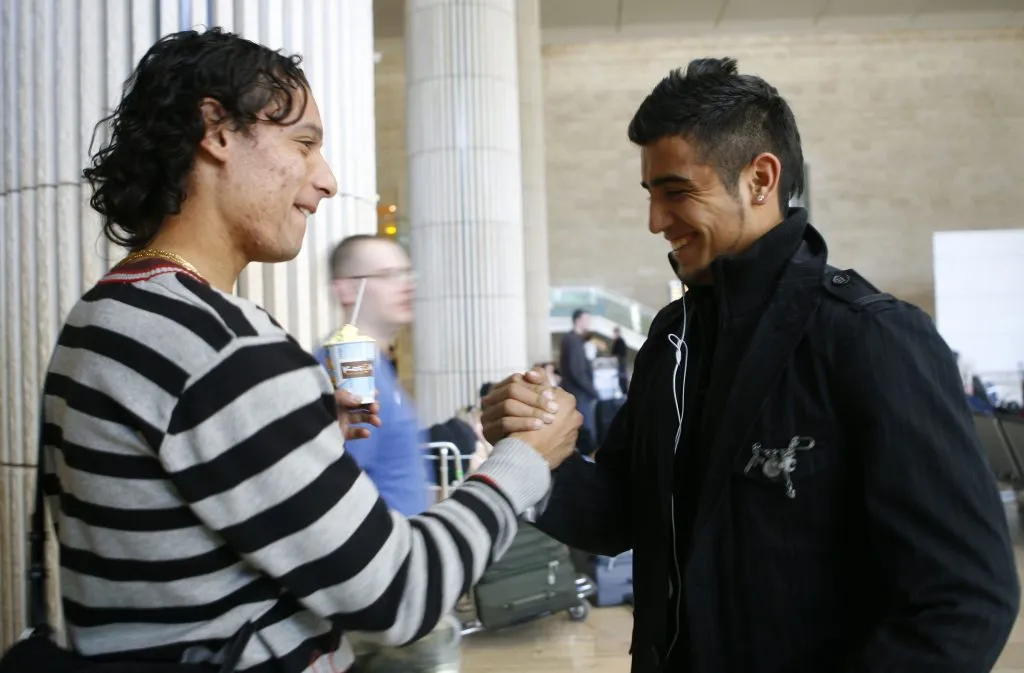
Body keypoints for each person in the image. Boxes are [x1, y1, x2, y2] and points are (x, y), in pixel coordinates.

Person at [41, 28, 581, 673]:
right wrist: (522, 464)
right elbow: (399, 593)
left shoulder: (107, 312)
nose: (325, 182)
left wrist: (295, 429)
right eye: (303, 144)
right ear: (216, 132)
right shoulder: (219, 346)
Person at [481, 57, 1019, 673]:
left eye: (677, 191)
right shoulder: (673, 339)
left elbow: (966, 600)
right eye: (651, 194)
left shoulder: (871, 338)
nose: (656, 221)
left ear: (761, 179)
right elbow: (621, 517)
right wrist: (535, 452)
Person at [313, 235, 427, 516]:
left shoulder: (373, 363)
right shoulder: (348, 369)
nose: (407, 285)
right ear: (347, 289)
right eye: (388, 275)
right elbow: (339, 486)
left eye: (406, 273)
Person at [559, 309, 599, 454]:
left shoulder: (577, 340)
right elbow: (576, 371)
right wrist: (593, 391)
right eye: (586, 319)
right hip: (579, 394)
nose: (589, 322)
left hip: (580, 393)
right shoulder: (572, 340)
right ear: (578, 320)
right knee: (585, 434)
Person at [610, 327, 628, 394]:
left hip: (620, 365)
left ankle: (624, 394)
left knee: (621, 380)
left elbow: (619, 354)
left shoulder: (620, 341)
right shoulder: (618, 341)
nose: (613, 335)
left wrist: (612, 357)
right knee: (621, 380)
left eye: (614, 333)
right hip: (620, 364)